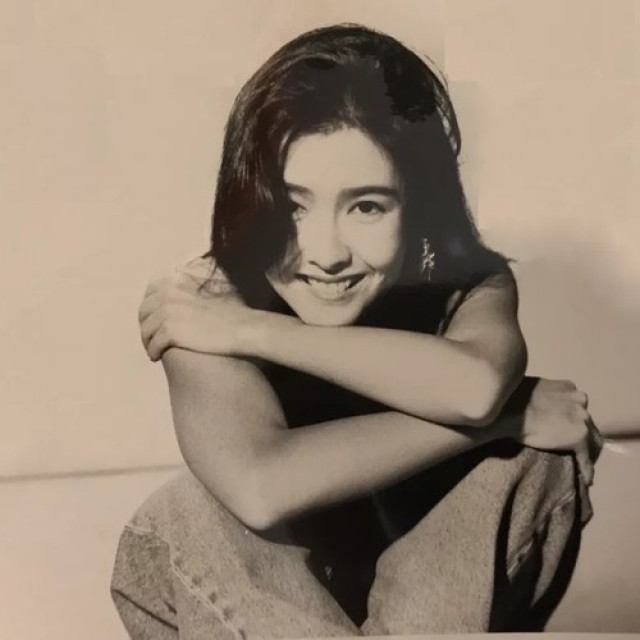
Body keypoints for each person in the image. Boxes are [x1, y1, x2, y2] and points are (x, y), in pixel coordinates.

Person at [111, 24, 602, 637]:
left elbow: (476, 387)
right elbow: (260, 485)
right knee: (187, 513)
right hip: (264, 606)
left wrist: (250, 330)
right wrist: (509, 414)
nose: (326, 253)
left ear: (418, 208)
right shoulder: (206, 298)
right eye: (291, 207)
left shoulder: (465, 283)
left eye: (367, 206)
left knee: (531, 459)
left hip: (436, 602)